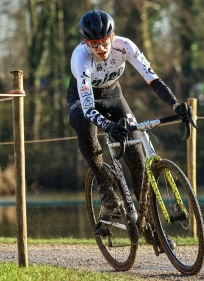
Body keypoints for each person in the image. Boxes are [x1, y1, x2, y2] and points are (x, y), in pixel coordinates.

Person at [67, 10, 194, 211]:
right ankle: (105, 186)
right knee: (86, 127)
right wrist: (108, 126)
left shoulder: (125, 46)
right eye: (93, 43)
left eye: (104, 41)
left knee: (137, 157)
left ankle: (149, 223)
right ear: (85, 43)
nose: (100, 48)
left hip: (113, 95)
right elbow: (89, 108)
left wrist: (176, 105)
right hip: (83, 100)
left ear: (112, 37)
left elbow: (153, 79)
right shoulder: (80, 58)